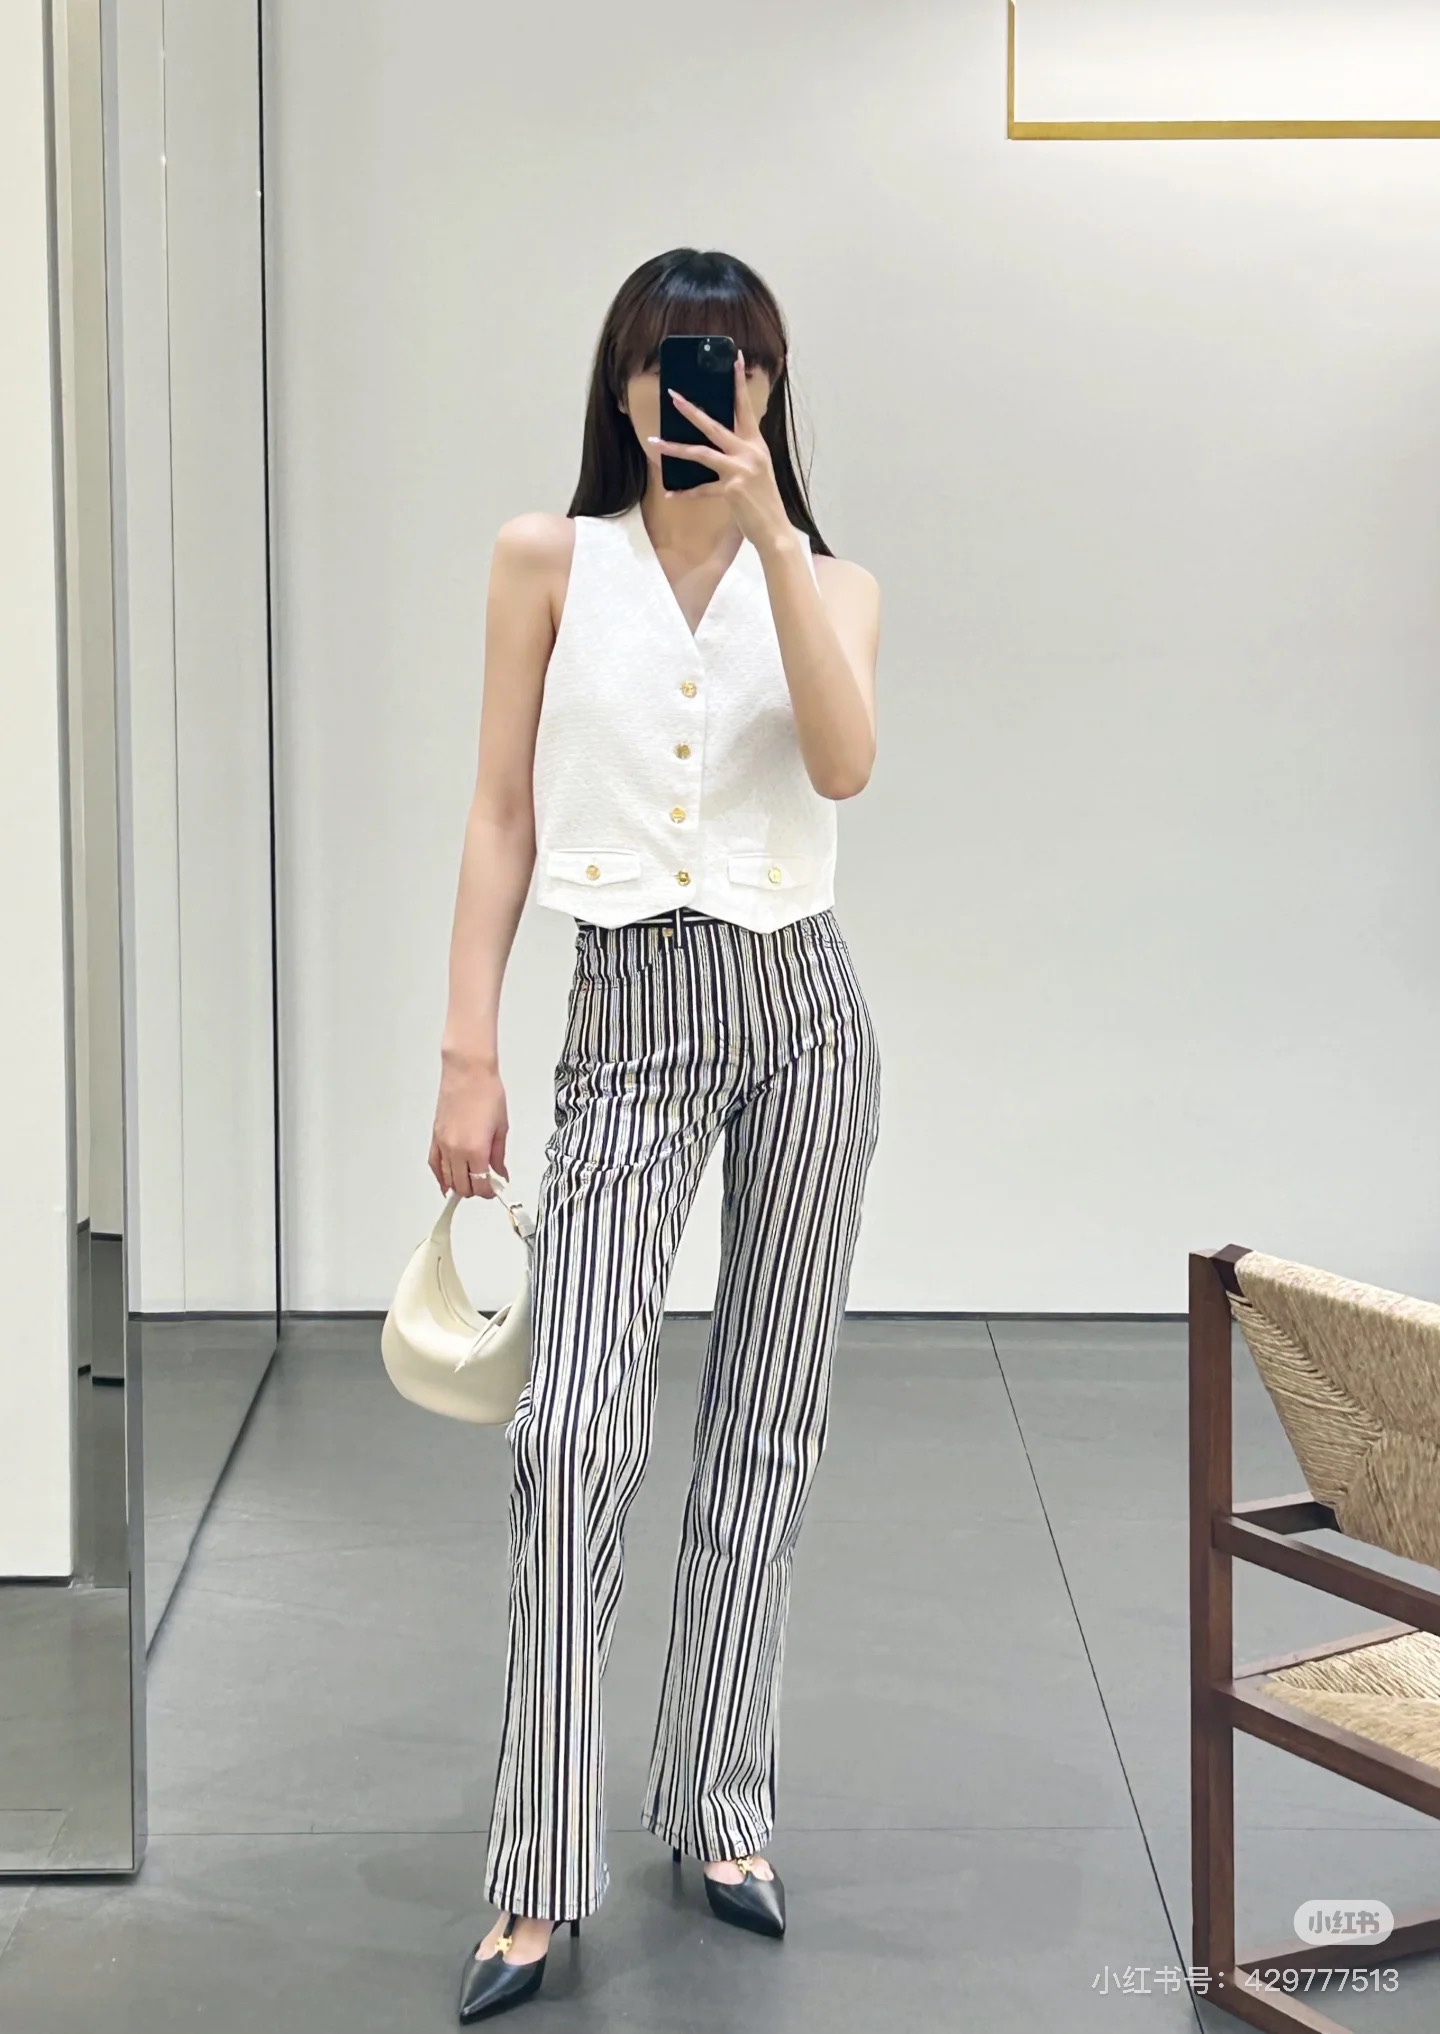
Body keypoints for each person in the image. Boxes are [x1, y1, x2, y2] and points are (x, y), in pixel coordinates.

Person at [430, 246, 882, 2024]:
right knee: (573, 1428)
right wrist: (468, 1050)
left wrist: (770, 533)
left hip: (805, 1015)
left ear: (770, 391)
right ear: (621, 386)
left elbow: (843, 766)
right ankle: (537, 1866)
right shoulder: (545, 560)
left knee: (766, 1422)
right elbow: (498, 813)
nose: (697, 390)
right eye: (668, 361)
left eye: (732, 364)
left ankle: (723, 1798)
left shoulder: (832, 581)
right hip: (621, 1012)